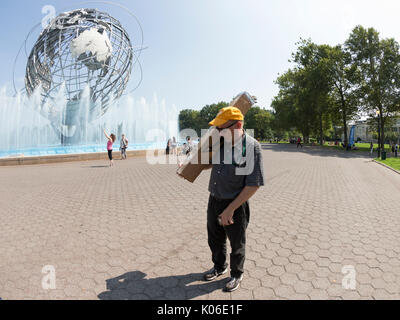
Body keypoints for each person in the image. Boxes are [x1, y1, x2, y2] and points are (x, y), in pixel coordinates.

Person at [201, 106, 265, 292]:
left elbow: (253, 184)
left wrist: (230, 209)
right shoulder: (222, 143)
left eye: (221, 128)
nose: (217, 132)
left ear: (237, 125)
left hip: (235, 204)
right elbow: (209, 164)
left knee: (237, 242)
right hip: (214, 199)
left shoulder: (252, 147)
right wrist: (189, 164)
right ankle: (220, 267)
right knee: (215, 238)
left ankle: (236, 273)